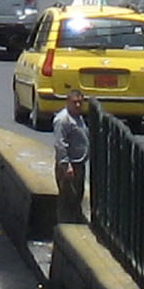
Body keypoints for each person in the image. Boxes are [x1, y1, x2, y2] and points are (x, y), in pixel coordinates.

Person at [53, 88, 91, 224]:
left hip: (79, 163)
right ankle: (65, 226)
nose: (78, 105)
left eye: (80, 102)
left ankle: (74, 221)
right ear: (67, 102)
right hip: (69, 166)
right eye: (75, 102)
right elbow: (60, 144)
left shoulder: (78, 117)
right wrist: (66, 166)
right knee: (67, 198)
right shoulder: (63, 120)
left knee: (76, 197)